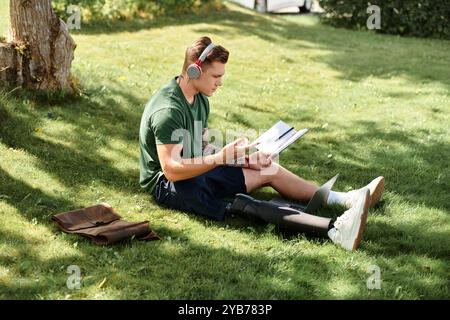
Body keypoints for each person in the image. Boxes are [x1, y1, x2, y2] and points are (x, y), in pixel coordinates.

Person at [139, 36, 385, 251]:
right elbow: (171, 169)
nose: (220, 83)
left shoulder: (200, 98)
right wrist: (220, 159)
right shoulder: (168, 110)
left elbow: (201, 146)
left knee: (266, 168)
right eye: (216, 76)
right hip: (168, 184)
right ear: (194, 71)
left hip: (196, 169)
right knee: (242, 206)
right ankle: (335, 231)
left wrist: (243, 159)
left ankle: (345, 200)